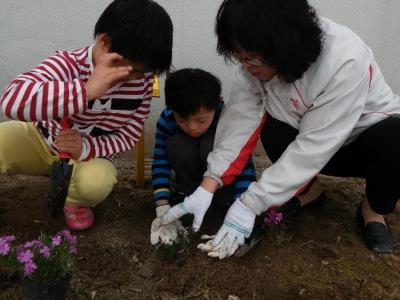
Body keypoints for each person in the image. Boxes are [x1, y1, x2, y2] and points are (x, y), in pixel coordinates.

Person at [161, 0, 400, 258]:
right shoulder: (252, 66)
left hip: (361, 143)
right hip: (311, 139)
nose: (245, 65)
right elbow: (239, 123)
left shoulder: (345, 59)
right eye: (239, 56)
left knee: (395, 137)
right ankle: (309, 191)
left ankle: (373, 211)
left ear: (284, 44)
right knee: (272, 125)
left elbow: (314, 147)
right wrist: (208, 185)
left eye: (252, 57)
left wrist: (249, 204)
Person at [0, 0, 173, 230]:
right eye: (133, 71)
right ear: (104, 42)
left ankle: (75, 201)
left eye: (145, 72)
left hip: (87, 158)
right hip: (41, 139)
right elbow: (11, 101)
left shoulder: (140, 85)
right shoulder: (68, 64)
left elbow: (129, 135)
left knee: (97, 182)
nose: (137, 79)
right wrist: (86, 90)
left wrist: (85, 148)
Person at [150, 68, 260, 255]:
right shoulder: (167, 119)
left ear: (217, 105)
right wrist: (162, 204)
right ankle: (186, 195)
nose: (192, 127)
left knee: (212, 145)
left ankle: (224, 203)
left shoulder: (228, 121)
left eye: (201, 120)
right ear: (171, 109)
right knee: (177, 144)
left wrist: (244, 206)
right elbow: (161, 161)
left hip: (224, 189)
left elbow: (243, 164)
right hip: (191, 186)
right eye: (182, 120)